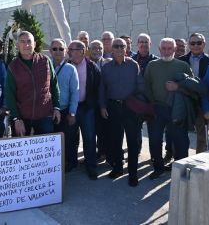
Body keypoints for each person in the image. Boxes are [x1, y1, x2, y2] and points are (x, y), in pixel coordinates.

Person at [145, 38, 193, 180]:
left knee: (181, 142)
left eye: (169, 48)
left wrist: (178, 87)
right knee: (154, 140)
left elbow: (192, 86)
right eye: (164, 48)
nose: (166, 51)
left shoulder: (183, 65)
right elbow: (146, 85)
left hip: (176, 110)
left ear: (174, 49)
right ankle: (158, 168)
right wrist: (152, 104)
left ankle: (180, 170)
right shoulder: (152, 65)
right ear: (159, 49)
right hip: (157, 108)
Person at [100, 38, 143, 186]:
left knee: (133, 142)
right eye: (116, 46)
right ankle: (118, 168)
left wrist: (139, 107)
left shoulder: (133, 65)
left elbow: (140, 87)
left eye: (122, 46)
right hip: (113, 107)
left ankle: (133, 174)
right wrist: (103, 106)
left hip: (130, 107)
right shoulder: (106, 68)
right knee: (115, 140)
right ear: (111, 49)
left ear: (126, 49)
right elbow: (102, 89)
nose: (119, 49)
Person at [5, 31, 61, 136]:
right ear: (17, 45)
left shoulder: (45, 61)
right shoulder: (13, 67)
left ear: (34, 44)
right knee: (23, 151)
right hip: (22, 118)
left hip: (45, 116)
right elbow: (10, 94)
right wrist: (16, 118)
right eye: (22, 42)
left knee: (46, 150)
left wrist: (56, 107)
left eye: (29, 41)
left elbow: (54, 85)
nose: (26, 45)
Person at [178, 33, 209, 154]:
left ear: (204, 44)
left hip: (203, 102)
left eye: (199, 43)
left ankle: (199, 160)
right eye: (193, 43)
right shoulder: (180, 61)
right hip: (185, 102)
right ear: (189, 45)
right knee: (181, 134)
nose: (196, 46)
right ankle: (181, 159)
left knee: (202, 136)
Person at [69, 40, 101, 180]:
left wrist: (97, 106)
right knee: (71, 137)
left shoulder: (91, 66)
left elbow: (98, 87)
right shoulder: (67, 66)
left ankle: (91, 166)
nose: (69, 51)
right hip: (71, 108)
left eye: (73, 49)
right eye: (69, 49)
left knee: (89, 137)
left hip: (87, 108)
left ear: (82, 51)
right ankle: (71, 163)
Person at [49, 39, 79, 174]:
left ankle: (70, 163)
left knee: (68, 140)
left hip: (65, 109)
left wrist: (72, 112)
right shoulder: (45, 66)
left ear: (66, 51)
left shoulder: (71, 69)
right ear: (50, 51)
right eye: (54, 49)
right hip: (48, 111)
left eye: (61, 49)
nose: (58, 51)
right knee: (52, 140)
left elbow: (75, 92)